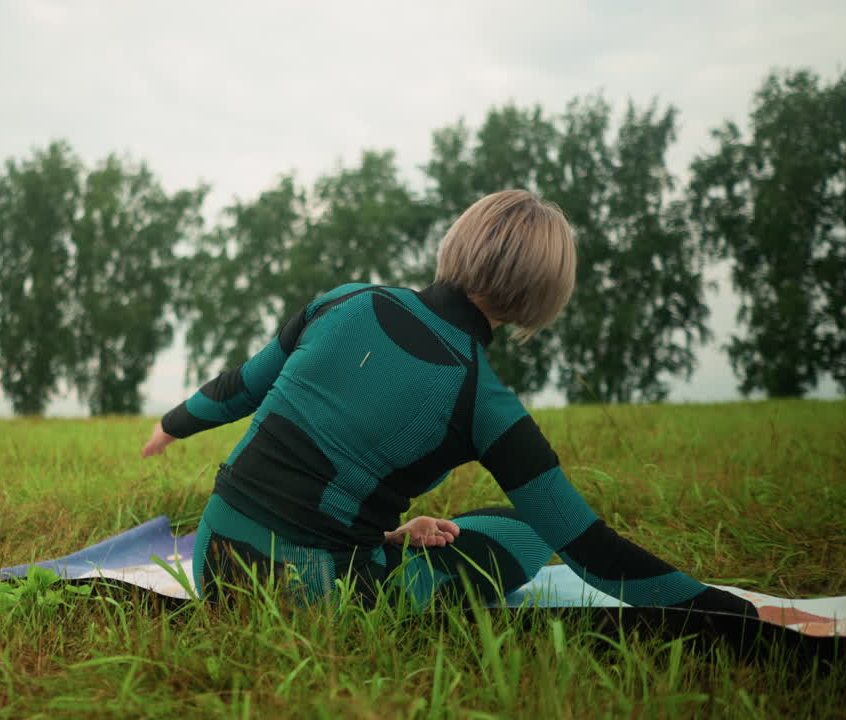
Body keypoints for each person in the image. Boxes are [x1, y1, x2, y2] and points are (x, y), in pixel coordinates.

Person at [138, 190, 800, 623]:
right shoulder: (483, 399)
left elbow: (242, 388)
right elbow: (591, 550)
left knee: (428, 520)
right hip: (310, 604)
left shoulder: (343, 300)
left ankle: (383, 538)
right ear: (544, 297)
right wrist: (732, 610)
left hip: (217, 564)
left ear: (457, 241)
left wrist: (172, 425)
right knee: (528, 529)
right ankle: (377, 550)